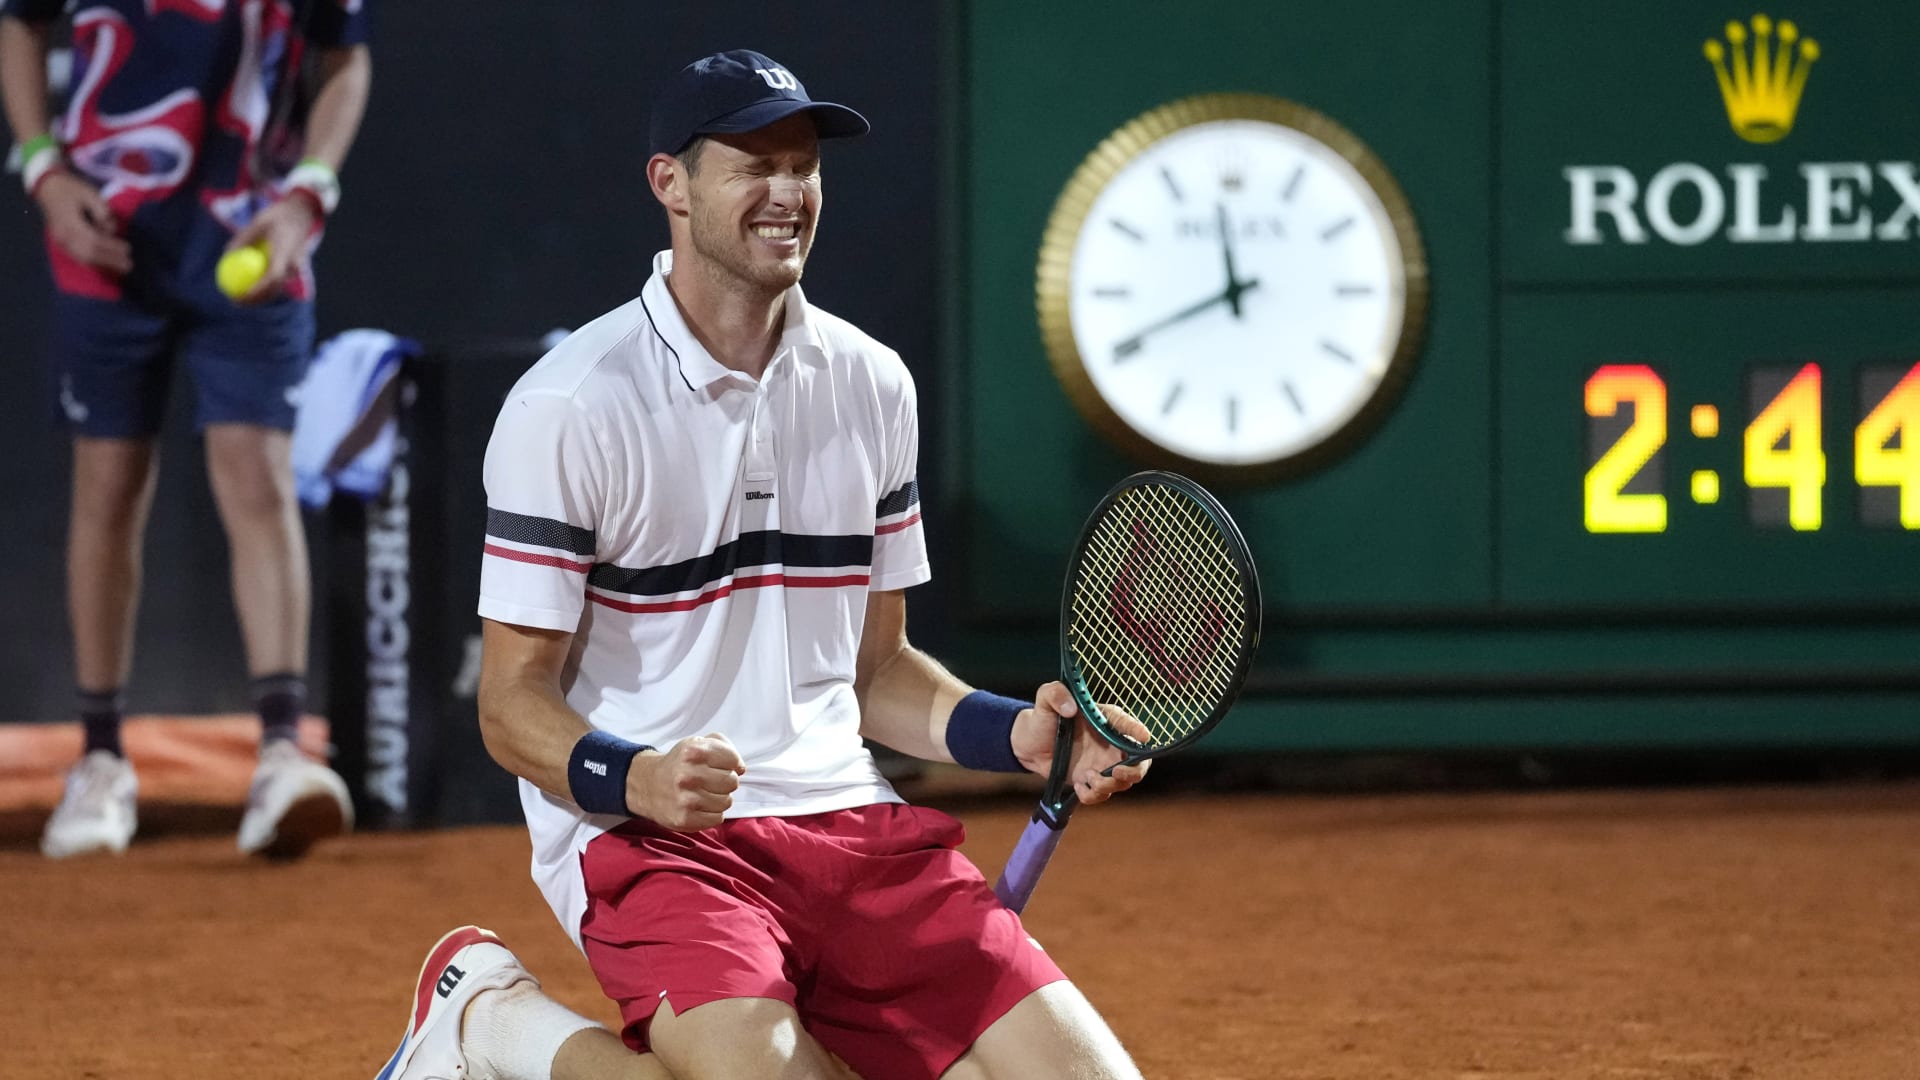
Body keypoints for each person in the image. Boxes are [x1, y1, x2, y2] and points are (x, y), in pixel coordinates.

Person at [376, 48, 1149, 1080]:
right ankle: (491, 1021)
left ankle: (502, 1024)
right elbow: (509, 705)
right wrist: (636, 777)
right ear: (671, 186)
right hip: (656, 844)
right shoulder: (570, 406)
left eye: (805, 166)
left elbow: (875, 674)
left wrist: (1016, 733)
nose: (789, 192)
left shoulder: (875, 386)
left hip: (851, 829)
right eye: (753, 165)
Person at [0, 0, 371, 858]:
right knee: (109, 482)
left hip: (253, 228)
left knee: (257, 475)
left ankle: (281, 752)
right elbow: (21, 21)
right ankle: (98, 761)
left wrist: (308, 195)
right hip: (103, 229)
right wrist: (43, 171)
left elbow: (345, 58)